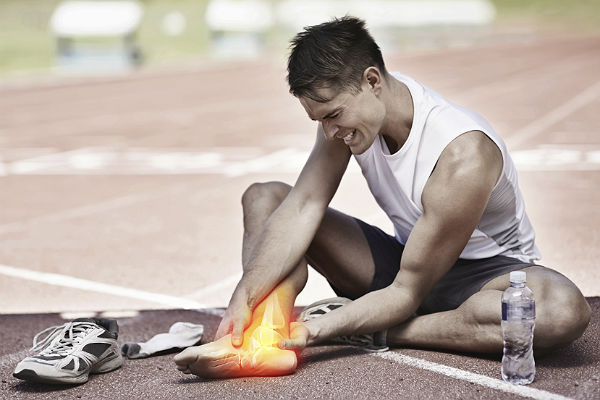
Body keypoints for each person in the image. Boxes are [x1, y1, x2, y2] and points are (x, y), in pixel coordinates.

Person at [175, 16, 591, 377]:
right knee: (263, 198)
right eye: (319, 120)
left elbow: (408, 291)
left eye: (333, 115)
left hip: (485, 276)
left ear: (372, 81)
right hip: (406, 261)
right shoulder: (350, 117)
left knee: (560, 311)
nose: (329, 132)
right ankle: (262, 340)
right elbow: (302, 206)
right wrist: (244, 297)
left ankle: (381, 328)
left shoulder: (462, 154)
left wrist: (318, 330)